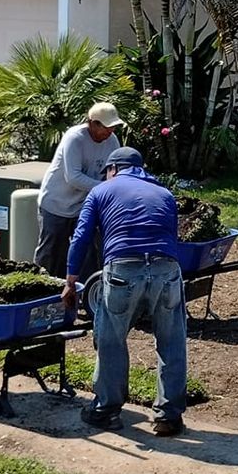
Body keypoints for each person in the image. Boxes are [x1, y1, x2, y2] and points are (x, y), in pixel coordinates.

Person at [63, 146, 188, 436]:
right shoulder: (165, 194)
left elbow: (81, 237)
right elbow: (171, 237)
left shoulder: (101, 192)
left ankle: (106, 410)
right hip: (166, 270)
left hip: (123, 270)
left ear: (113, 169)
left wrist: (70, 282)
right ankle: (168, 416)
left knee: (111, 339)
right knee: (171, 341)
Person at [34, 101, 122, 278]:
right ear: (92, 123)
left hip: (84, 205)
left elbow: (115, 170)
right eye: (106, 127)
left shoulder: (112, 141)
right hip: (57, 203)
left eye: (113, 127)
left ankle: (85, 292)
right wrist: (106, 187)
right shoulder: (75, 137)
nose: (110, 131)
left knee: (87, 250)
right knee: (52, 251)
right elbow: (73, 177)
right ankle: (43, 291)